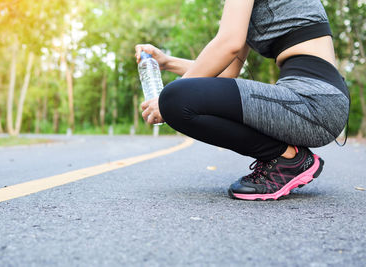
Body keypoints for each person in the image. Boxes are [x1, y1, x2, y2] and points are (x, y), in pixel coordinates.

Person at [134, 0, 350, 200]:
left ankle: (288, 159)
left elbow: (228, 45)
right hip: (311, 100)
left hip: (315, 99)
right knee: (177, 97)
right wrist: (168, 62)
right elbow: (227, 70)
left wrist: (165, 99)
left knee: (174, 98)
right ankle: (287, 157)